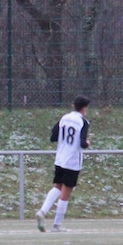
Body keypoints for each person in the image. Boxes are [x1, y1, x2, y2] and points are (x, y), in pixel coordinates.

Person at [35, 95, 91, 233]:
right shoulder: (83, 122)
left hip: (60, 158)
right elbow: (82, 143)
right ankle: (57, 224)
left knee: (57, 187)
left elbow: (53, 137)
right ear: (84, 108)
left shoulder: (64, 118)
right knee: (65, 192)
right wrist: (87, 142)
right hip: (72, 161)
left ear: (73, 106)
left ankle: (43, 211)